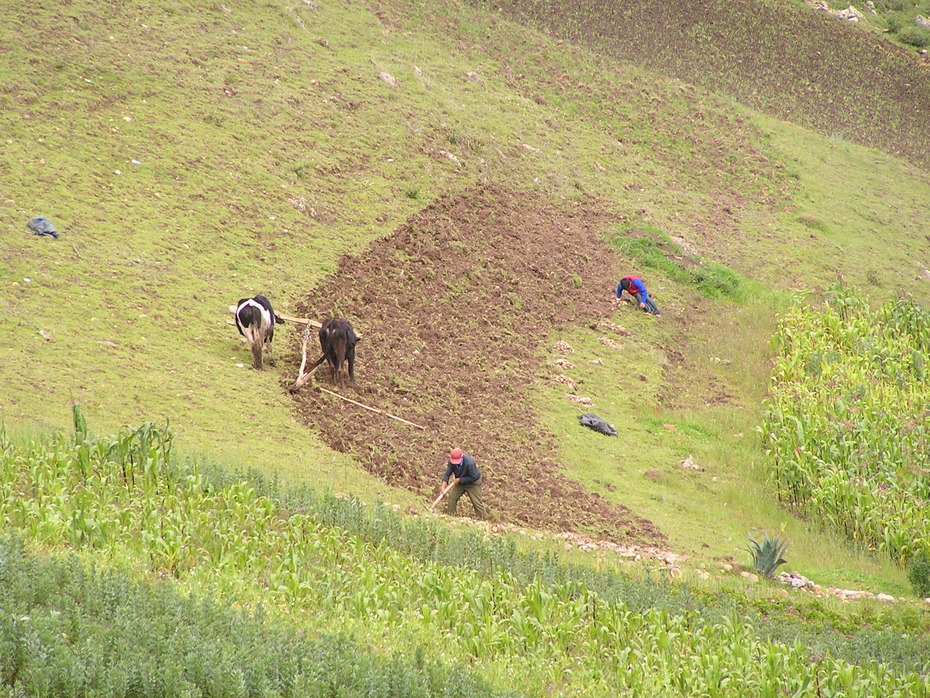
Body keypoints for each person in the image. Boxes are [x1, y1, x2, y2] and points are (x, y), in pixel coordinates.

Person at [439, 448, 488, 520]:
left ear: (461, 457)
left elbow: (473, 477)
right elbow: (447, 474)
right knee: (452, 498)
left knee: (476, 502)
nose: (455, 463)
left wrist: (460, 479)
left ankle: (483, 520)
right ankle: (451, 517)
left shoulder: (469, 463)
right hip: (460, 482)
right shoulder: (451, 462)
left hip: (473, 483)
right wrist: (443, 487)